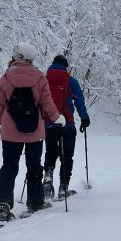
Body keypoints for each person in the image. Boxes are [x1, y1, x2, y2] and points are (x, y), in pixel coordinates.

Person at [0, 42, 64, 222]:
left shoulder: (6, 77)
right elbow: (47, 103)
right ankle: (35, 201)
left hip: (10, 131)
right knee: (34, 166)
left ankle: (3, 203)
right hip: (34, 132)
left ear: (17, 57)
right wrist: (57, 118)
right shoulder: (40, 77)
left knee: (9, 166)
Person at [43, 55, 90, 199]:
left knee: (51, 151)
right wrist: (84, 118)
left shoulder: (43, 80)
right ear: (66, 66)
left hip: (49, 123)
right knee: (67, 155)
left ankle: (48, 175)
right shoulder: (71, 81)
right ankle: (63, 187)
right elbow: (79, 101)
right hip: (68, 124)